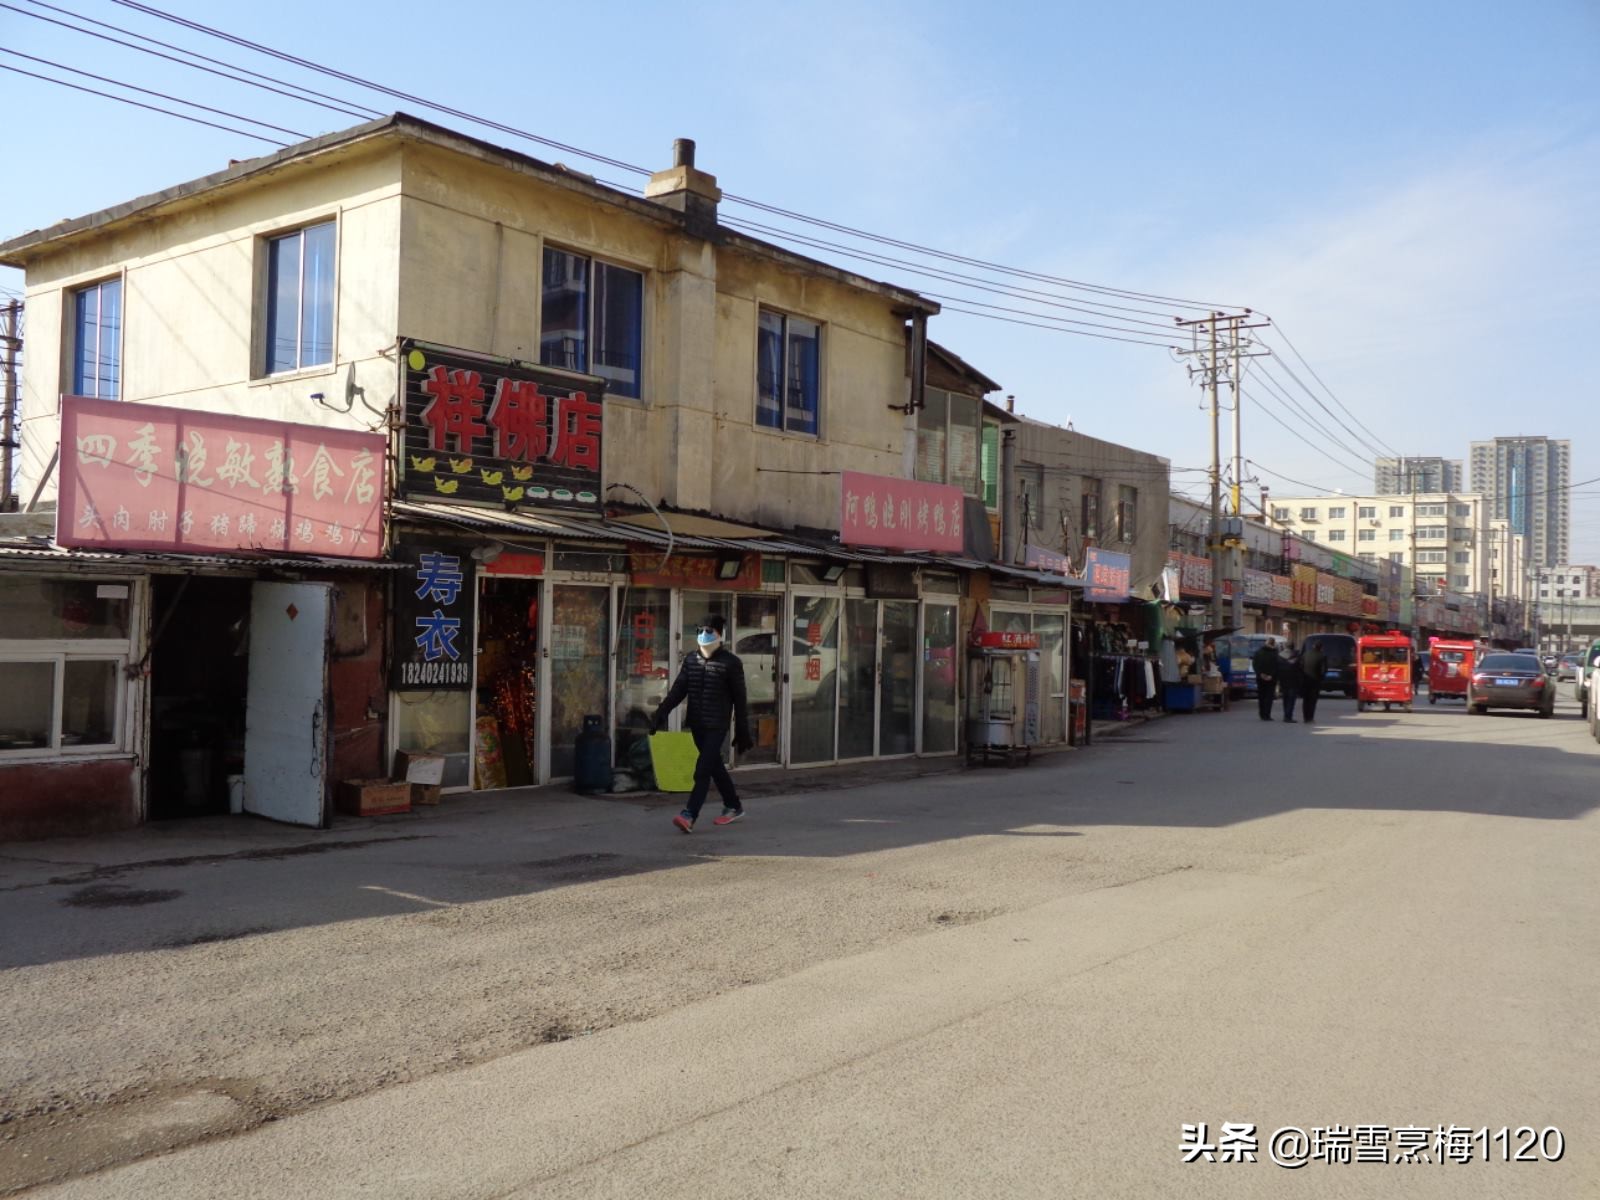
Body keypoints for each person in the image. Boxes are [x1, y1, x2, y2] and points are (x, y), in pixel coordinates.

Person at [650, 613, 753, 833]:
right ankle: (733, 805)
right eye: (700, 630)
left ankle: (689, 815)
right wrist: (661, 712)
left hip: (717, 725)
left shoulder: (731, 663)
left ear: (720, 634)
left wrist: (742, 729)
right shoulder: (691, 660)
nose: (703, 634)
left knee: (703, 769)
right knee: (714, 765)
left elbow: (740, 699)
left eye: (709, 631)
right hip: (697, 724)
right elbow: (678, 690)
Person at [1298, 640, 1326, 724]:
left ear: (1313, 646)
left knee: (1306, 700)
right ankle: (1310, 718)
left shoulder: (1305, 654)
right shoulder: (1322, 656)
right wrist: (1321, 679)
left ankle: (1305, 717)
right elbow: (1323, 671)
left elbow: (1300, 666)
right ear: (1321, 648)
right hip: (1315, 682)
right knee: (1312, 701)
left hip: (1305, 681)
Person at [1251, 640, 1280, 721]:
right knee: (1269, 697)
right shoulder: (1275, 653)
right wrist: (1271, 675)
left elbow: (1254, 664)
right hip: (1271, 679)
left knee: (1261, 696)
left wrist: (1260, 674)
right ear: (1273, 644)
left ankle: (1262, 714)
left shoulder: (1258, 652)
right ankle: (1267, 715)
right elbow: (1277, 666)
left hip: (1260, 678)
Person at [1278, 646, 1303, 723]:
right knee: (1291, 701)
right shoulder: (1296, 660)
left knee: (1285, 700)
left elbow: (1278, 670)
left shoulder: (1280, 659)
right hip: (1293, 683)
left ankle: (1286, 715)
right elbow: (1300, 671)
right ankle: (1288, 716)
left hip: (1284, 682)